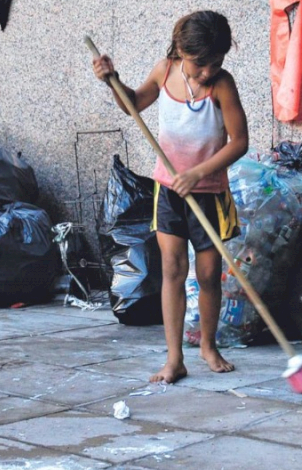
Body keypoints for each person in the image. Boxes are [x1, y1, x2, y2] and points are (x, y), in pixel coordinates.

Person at [93, 10, 249, 384]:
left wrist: (198, 172)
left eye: (217, 62)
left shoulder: (222, 85)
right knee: (173, 270)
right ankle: (175, 358)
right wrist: (112, 81)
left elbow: (240, 142)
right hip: (169, 192)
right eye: (201, 63)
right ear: (180, 49)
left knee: (210, 273)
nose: (208, 71)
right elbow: (133, 103)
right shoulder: (165, 71)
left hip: (209, 193)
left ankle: (209, 346)